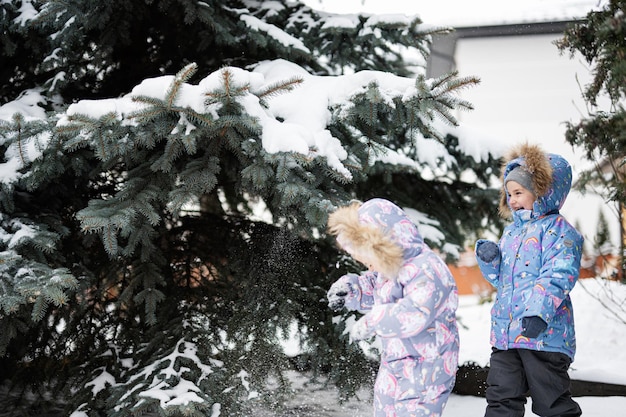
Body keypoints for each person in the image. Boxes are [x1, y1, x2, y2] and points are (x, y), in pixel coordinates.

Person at [474, 143, 584, 417]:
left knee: (551, 403)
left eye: (519, 193)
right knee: (500, 398)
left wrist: (538, 312)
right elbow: (503, 282)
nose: (511, 200)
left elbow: (558, 275)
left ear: (543, 192)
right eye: (509, 194)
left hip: (544, 336)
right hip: (507, 336)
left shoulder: (560, 231)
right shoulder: (511, 233)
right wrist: (491, 261)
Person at [326, 198, 459, 417]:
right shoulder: (390, 270)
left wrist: (373, 320)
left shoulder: (426, 268)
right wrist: (352, 289)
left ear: (381, 244)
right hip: (395, 362)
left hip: (426, 367)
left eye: (367, 259)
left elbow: (415, 312)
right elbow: (377, 289)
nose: (367, 266)